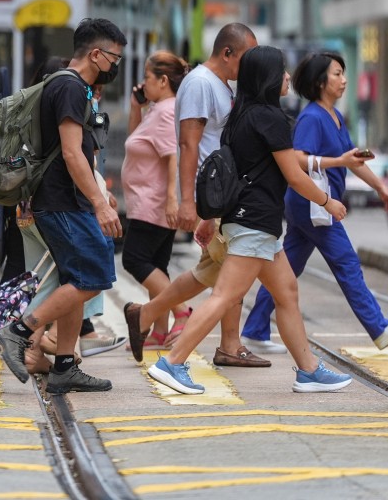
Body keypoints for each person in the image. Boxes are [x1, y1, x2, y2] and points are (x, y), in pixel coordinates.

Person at [147, 46, 353, 395]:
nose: (288, 77)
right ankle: (173, 361)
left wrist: (212, 218)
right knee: (225, 296)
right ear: (269, 77)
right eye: (283, 71)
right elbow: (294, 175)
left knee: (286, 292)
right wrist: (328, 201)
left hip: (252, 222)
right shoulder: (270, 118)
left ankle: (309, 370)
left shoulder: (240, 116)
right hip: (255, 222)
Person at [123, 24, 268, 369]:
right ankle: (215, 345)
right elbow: (187, 144)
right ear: (227, 53)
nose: (249, 67)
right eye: (246, 58)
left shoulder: (220, 86)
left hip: (223, 195)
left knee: (220, 272)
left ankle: (147, 316)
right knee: (231, 272)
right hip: (213, 195)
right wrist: (188, 202)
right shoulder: (202, 84)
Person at [0, 18, 125, 394]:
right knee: (94, 276)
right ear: (96, 54)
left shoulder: (65, 85)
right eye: (114, 58)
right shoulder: (70, 88)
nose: (115, 66)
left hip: (61, 199)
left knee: (75, 278)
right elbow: (71, 152)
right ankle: (19, 331)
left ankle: (65, 365)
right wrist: (100, 204)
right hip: (64, 200)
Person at [242, 51, 388, 351]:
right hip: (313, 204)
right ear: (319, 82)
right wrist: (336, 161)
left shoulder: (335, 116)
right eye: (337, 73)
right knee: (347, 262)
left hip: (310, 206)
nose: (344, 80)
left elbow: (352, 160)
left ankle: (254, 329)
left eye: (343, 73)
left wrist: (380, 187)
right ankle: (378, 327)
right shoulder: (312, 117)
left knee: (287, 269)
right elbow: (298, 159)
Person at [120, 51, 191, 349]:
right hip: (150, 201)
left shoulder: (165, 111)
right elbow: (138, 139)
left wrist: (172, 200)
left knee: (134, 260)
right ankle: (160, 331)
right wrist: (138, 107)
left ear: (163, 80)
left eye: (148, 78)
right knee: (156, 266)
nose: (143, 84)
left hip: (154, 203)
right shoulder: (159, 108)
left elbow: (173, 156)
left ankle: (181, 311)